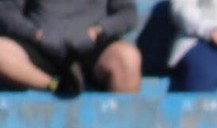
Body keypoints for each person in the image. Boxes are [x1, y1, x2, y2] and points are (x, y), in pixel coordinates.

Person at [0, 0, 142, 96]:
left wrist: (96, 32)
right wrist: (36, 35)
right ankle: (55, 85)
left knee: (128, 57)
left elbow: (127, 14)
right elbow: (7, 13)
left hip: (92, 48)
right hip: (42, 48)